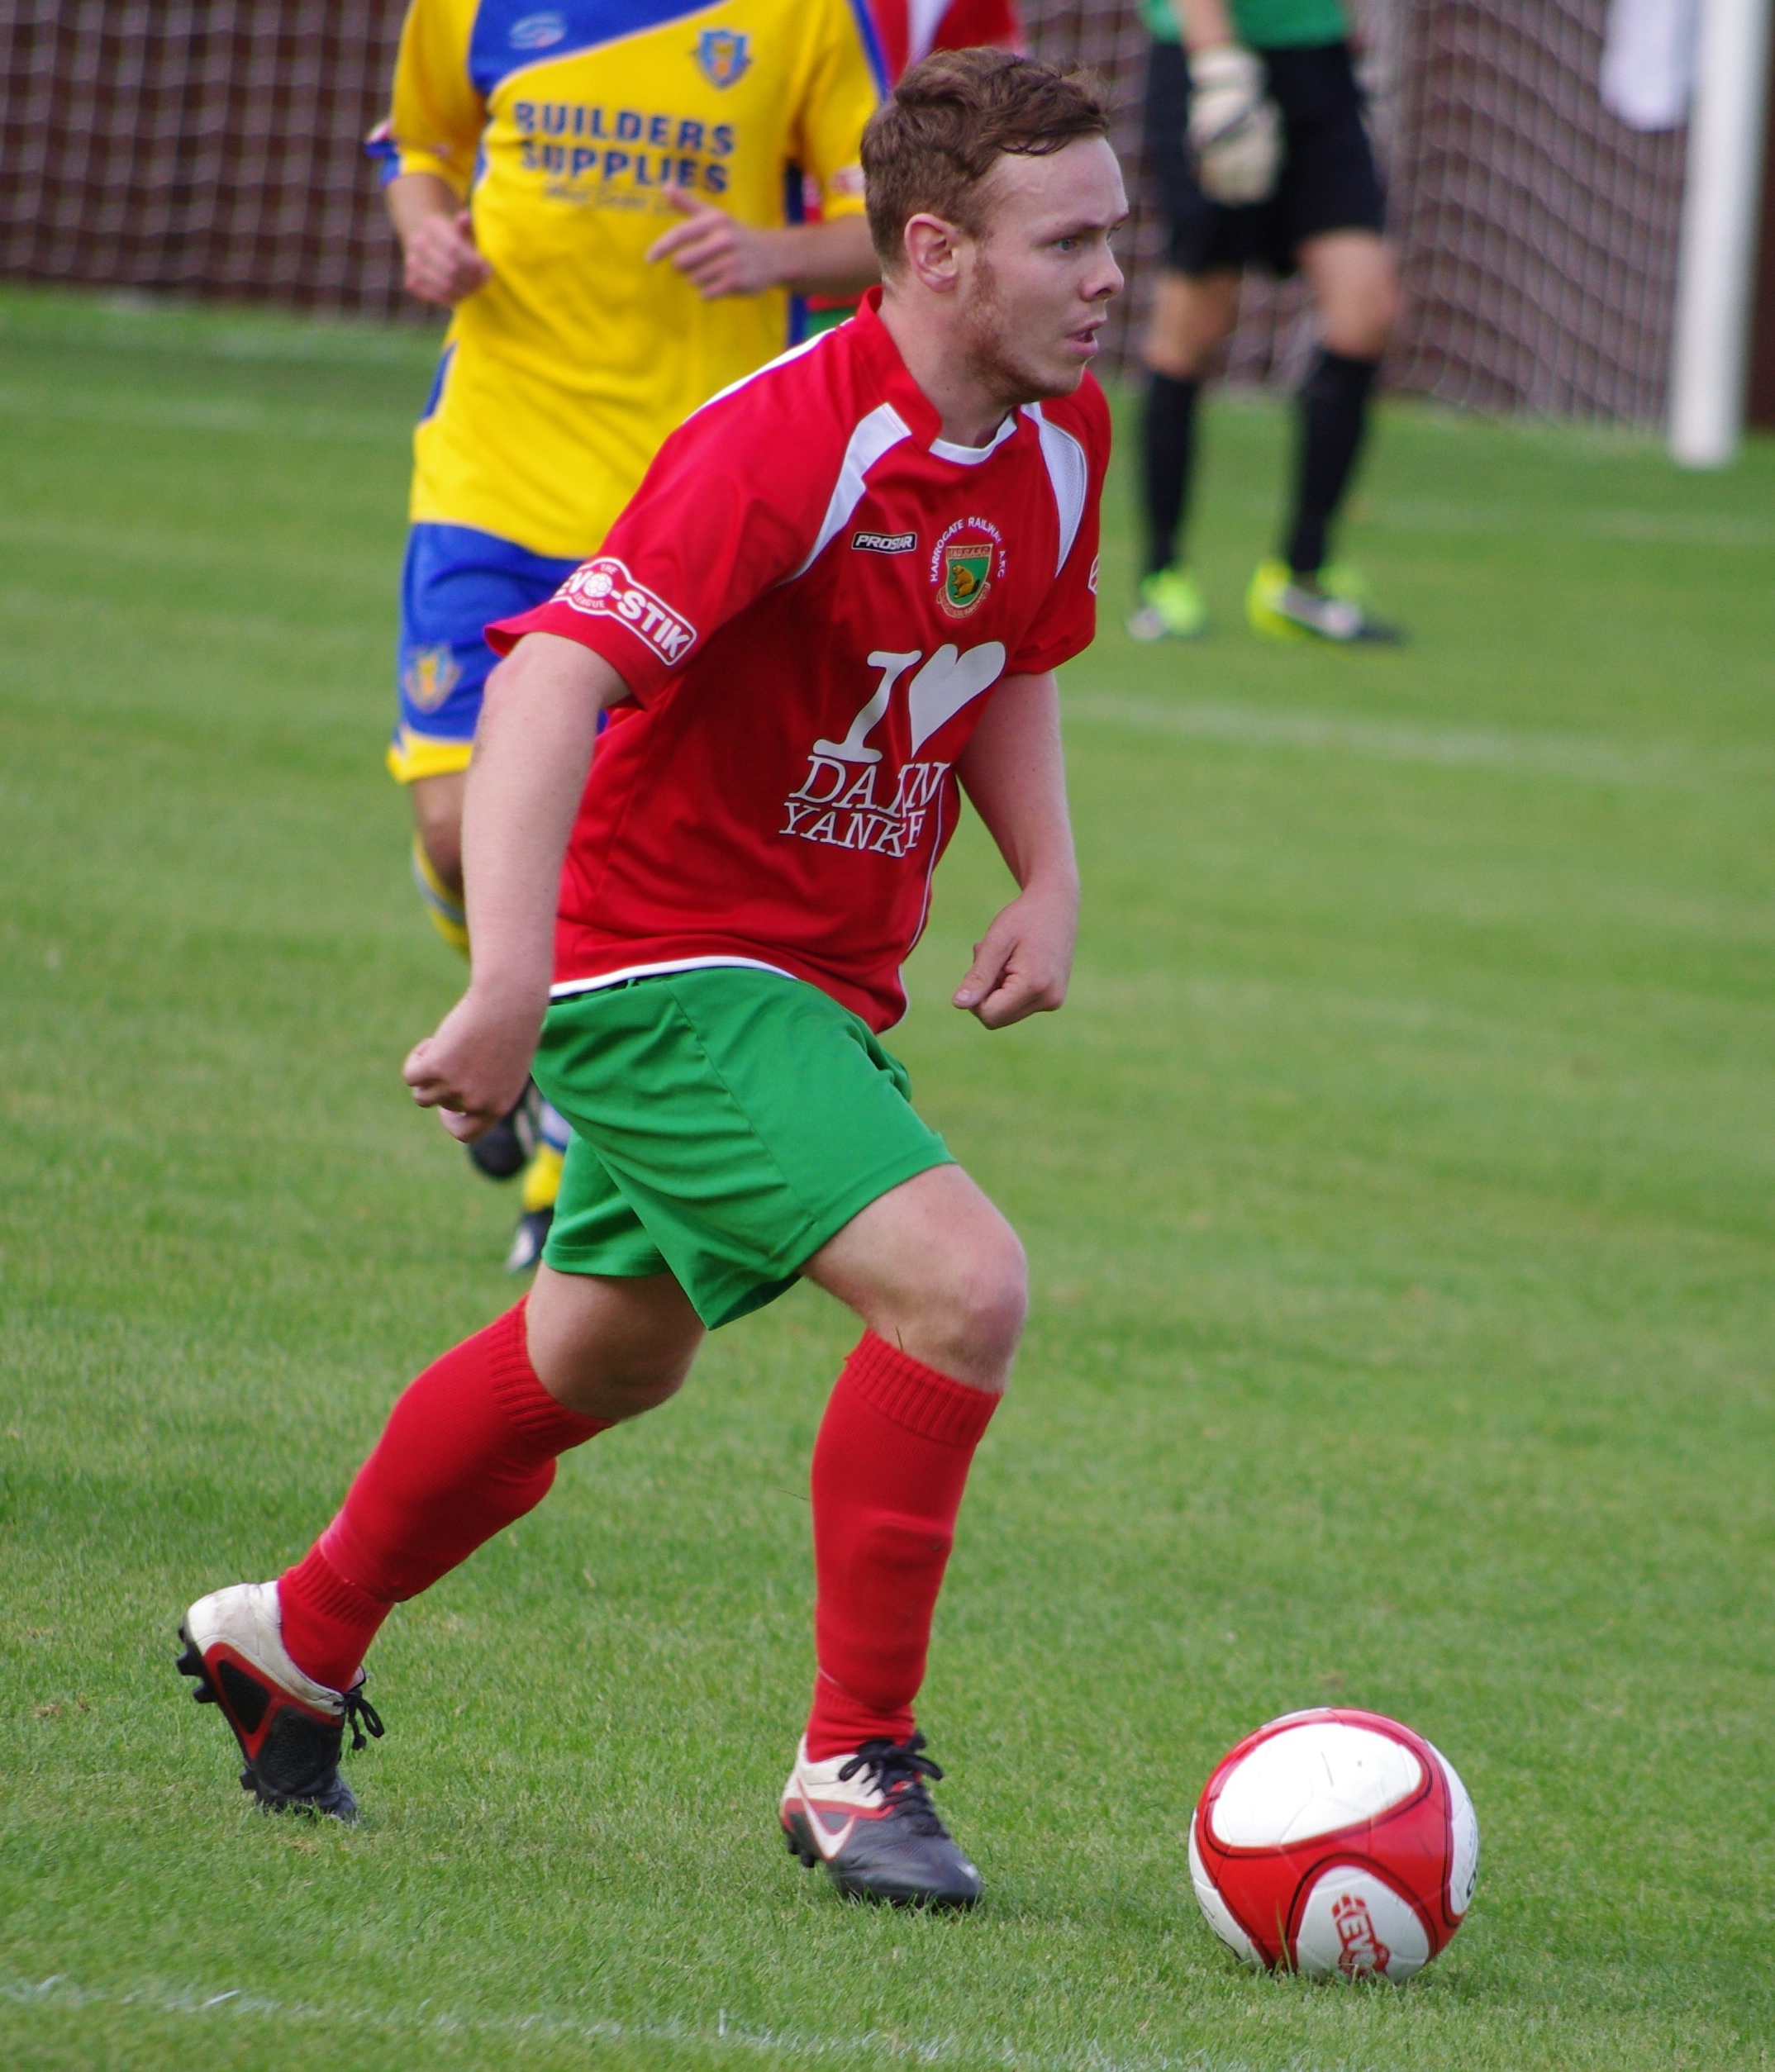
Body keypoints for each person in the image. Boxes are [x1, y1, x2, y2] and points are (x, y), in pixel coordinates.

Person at [178, 48, 1123, 1912]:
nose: (1110, 275)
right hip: (667, 965)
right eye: (1069, 240)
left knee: (602, 1355)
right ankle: (854, 1766)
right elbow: (548, 679)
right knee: (963, 1290)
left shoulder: (1060, 437)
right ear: (935, 251)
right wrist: (510, 981)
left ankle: (292, 1637)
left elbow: (1010, 641)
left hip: (818, 975)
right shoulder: (788, 435)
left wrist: (1054, 875)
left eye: (1119, 234)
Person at [371, 0, 883, 1267]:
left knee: (608, 835)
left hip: (680, 494)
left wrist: (773, 254)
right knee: (452, 823)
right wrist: (427, 232)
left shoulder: (807, 19)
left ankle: (559, 1151)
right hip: (492, 465)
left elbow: (891, 228)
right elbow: (416, 144)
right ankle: (524, 1028)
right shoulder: (477, 8)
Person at [1129, 0, 1403, 644]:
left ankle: (1302, 575)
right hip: (1215, 63)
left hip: (1317, 62)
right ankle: (1161, 576)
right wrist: (1218, 64)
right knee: (1198, 320)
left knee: (1367, 309)